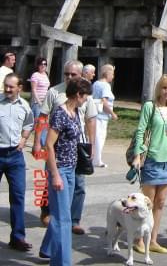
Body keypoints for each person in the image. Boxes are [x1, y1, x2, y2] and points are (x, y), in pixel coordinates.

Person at [32, 59, 96, 234]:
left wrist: (92, 145)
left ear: (81, 74)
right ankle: (48, 212)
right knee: (50, 181)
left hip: (78, 145)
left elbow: (90, 120)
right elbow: (43, 118)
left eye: (72, 74)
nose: (68, 77)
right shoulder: (55, 92)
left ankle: (74, 220)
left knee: (79, 185)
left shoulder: (85, 95)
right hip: (57, 146)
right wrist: (37, 141)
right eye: (66, 74)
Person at [39, 77, 92, 265]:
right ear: (78, 94)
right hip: (59, 169)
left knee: (63, 214)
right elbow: (49, 145)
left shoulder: (75, 112)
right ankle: (62, 262)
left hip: (71, 169)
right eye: (85, 96)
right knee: (63, 220)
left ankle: (47, 249)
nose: (86, 100)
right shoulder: (60, 113)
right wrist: (54, 175)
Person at [131, 74, 167, 254]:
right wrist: (138, 155)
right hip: (152, 159)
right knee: (147, 203)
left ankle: (153, 239)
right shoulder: (150, 107)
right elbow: (141, 131)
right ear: (159, 88)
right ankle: (138, 239)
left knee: (160, 202)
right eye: (165, 88)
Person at [0, 73, 34, 251]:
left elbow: (29, 124)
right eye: (5, 85)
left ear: (19, 88)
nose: (7, 89)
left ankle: (18, 237)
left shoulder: (25, 106)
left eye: (11, 86)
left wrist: (23, 139)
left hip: (15, 156)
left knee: (18, 196)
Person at [92, 63, 118, 168]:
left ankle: (94, 158)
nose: (113, 76)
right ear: (107, 73)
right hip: (102, 116)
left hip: (94, 114)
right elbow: (104, 101)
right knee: (100, 138)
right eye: (112, 74)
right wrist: (112, 114)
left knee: (95, 137)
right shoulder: (106, 85)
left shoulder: (95, 83)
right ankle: (97, 160)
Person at [30, 57, 51, 121]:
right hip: (38, 103)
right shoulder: (35, 75)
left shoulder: (46, 74)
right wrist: (39, 102)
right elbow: (34, 89)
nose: (43, 65)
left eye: (45, 64)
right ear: (38, 65)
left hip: (45, 102)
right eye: (41, 64)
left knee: (43, 123)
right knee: (38, 124)